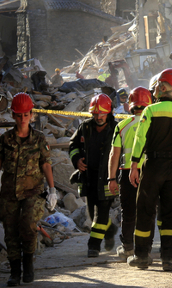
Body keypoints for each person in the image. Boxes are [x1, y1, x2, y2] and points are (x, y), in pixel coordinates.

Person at [127, 69, 172, 272]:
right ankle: (168, 259)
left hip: (153, 167)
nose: (155, 88)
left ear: (163, 87)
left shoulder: (150, 111)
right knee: (170, 214)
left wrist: (134, 165)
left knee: (145, 210)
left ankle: (141, 256)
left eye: (158, 85)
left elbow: (140, 140)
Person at [0, 93, 57, 286]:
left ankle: (28, 264)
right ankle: (15, 272)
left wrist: (52, 190)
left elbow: (46, 164)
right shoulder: (5, 140)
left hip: (33, 191)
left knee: (27, 226)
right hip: (9, 193)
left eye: (26, 115)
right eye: (19, 115)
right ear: (13, 115)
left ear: (31, 115)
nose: (23, 119)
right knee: (10, 232)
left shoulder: (39, 139)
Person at [69, 93, 119, 258]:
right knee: (91, 212)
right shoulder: (85, 127)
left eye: (102, 113)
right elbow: (73, 145)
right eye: (96, 113)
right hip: (89, 178)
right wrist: (76, 160)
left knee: (101, 212)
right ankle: (110, 229)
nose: (99, 116)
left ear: (109, 112)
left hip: (107, 177)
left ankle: (93, 246)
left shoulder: (116, 128)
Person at [107, 87, 152, 259]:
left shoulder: (122, 125)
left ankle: (128, 248)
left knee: (128, 213)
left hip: (127, 173)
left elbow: (114, 154)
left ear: (131, 105)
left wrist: (111, 179)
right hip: (148, 173)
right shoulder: (153, 123)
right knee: (147, 212)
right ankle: (146, 249)